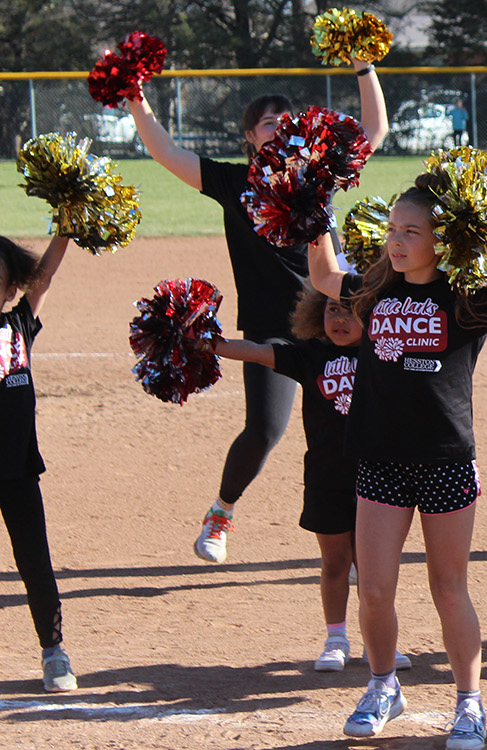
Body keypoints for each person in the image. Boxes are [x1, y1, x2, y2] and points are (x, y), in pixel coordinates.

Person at [305, 174, 487, 748]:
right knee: (375, 590)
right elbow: (321, 276)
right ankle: (383, 684)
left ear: (442, 240)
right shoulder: (372, 292)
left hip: (445, 460)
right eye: (393, 229)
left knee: (449, 587)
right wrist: (314, 207)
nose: (396, 240)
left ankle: (469, 702)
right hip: (382, 461)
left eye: (411, 231)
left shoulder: (463, 300)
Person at [128, 58, 388, 564]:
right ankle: (221, 513)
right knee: (266, 429)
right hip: (275, 324)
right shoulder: (233, 184)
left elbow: (374, 129)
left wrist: (363, 66)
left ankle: (358, 542)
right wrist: (135, 94)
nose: (278, 128)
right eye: (268, 122)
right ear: (250, 136)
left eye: (283, 121)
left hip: (335, 318)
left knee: (351, 425)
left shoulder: (318, 176)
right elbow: (164, 151)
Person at [206, 282, 411, 674]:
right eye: (332, 309)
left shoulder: (387, 354)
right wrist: (208, 342)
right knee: (335, 562)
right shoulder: (310, 355)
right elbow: (257, 351)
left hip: (380, 480)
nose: (339, 318)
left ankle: (378, 641)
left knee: (375, 568)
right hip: (327, 476)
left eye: (351, 310)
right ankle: (336, 639)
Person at [1, 233, 77, 693]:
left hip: (18, 471)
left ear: (11, 289)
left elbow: (45, 274)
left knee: (36, 564)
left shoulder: (18, 326)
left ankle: (54, 652)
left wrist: (66, 225)